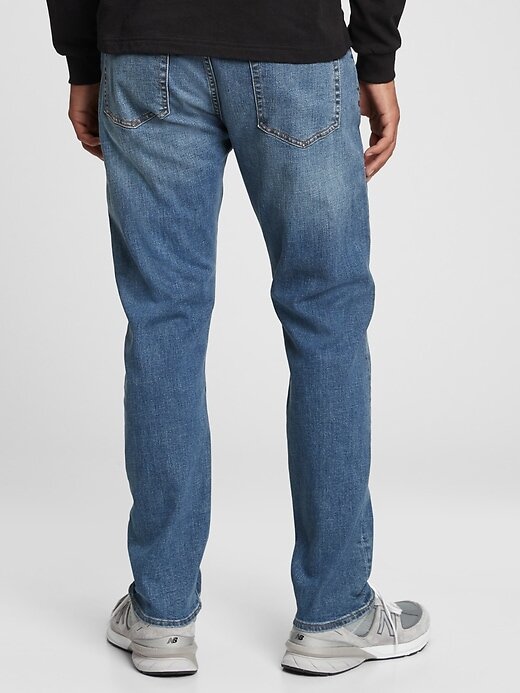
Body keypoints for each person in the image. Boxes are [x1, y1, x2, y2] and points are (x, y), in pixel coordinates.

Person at [45, 0, 430, 678]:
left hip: (145, 44)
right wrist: (377, 55)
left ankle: (161, 613)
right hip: (294, 47)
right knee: (326, 318)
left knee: (163, 320)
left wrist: (83, 58)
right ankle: (335, 613)